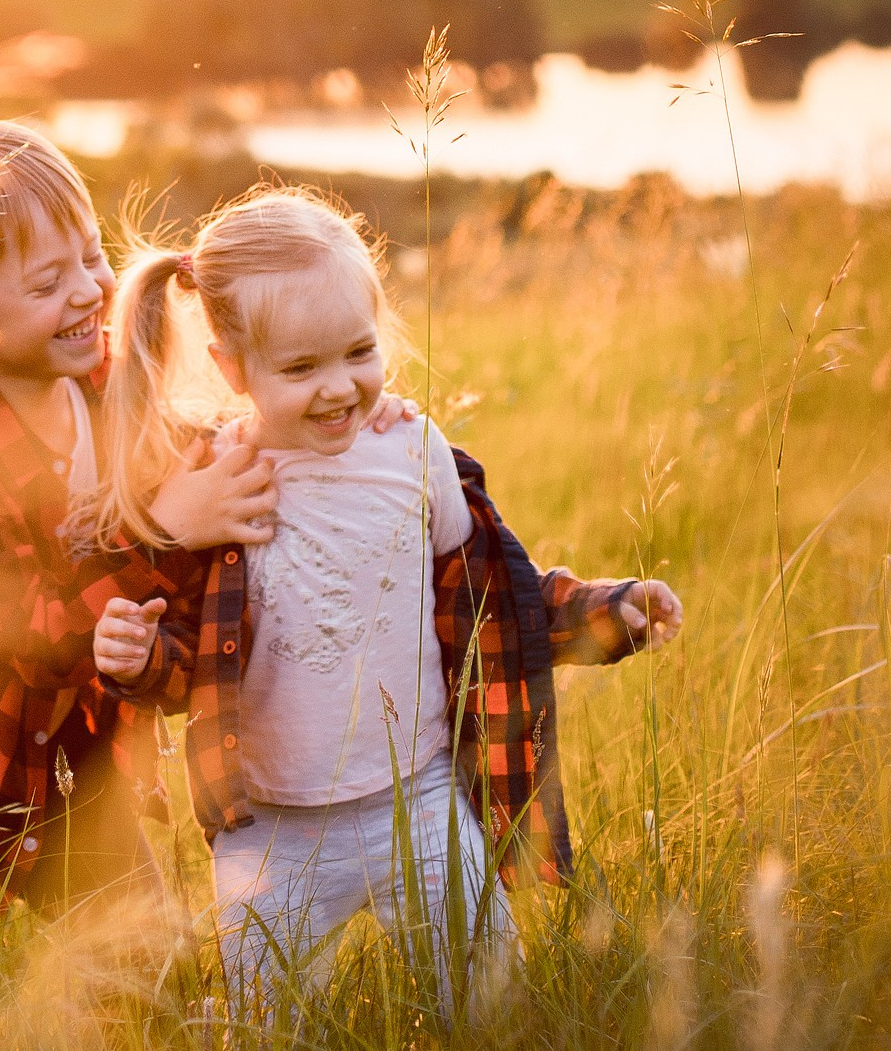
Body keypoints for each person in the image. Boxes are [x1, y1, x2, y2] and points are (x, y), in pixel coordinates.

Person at [0, 124, 411, 1023]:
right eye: (47, 282)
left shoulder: (91, 372)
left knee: (144, 963)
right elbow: (43, 637)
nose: (89, 290)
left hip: (58, 747)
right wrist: (170, 526)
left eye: (90, 257)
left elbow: (175, 451)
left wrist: (313, 420)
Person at [82, 185, 684, 1019]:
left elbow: (497, 599)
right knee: (269, 1021)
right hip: (273, 829)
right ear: (233, 369)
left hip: (423, 802)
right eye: (300, 368)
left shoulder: (416, 453)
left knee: (486, 1006)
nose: (339, 389)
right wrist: (139, 656)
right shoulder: (220, 483)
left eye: (358, 353)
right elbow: (185, 653)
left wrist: (609, 612)